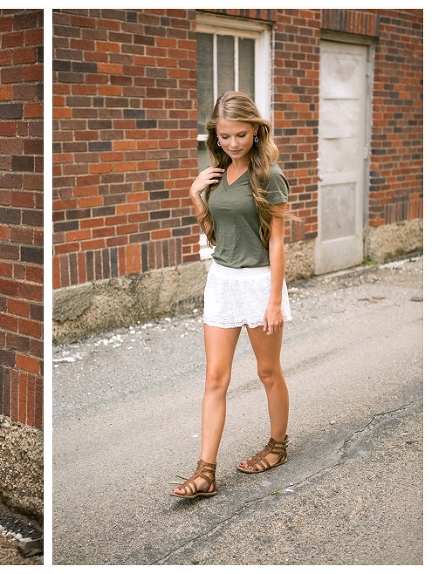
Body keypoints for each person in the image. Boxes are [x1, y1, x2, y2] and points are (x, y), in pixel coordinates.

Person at [171, 91, 296, 498]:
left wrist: (274, 300)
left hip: (259, 282)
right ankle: (205, 473)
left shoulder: (269, 176)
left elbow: (276, 242)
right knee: (214, 378)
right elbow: (216, 236)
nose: (232, 144)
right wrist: (195, 195)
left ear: (256, 132)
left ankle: (277, 446)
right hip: (222, 282)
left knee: (267, 372)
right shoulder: (217, 174)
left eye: (240, 135)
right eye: (224, 136)